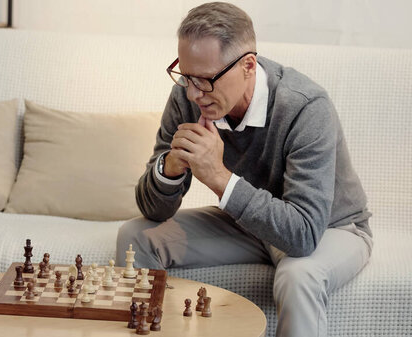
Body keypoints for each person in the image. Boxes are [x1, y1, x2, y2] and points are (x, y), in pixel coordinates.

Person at [116, 2, 373, 336]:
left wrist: (219, 177)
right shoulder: (188, 97)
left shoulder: (305, 107)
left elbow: (303, 236)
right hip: (249, 224)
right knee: (136, 236)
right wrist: (171, 167)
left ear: (248, 66)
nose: (194, 93)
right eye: (186, 75)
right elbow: (153, 210)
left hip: (328, 227)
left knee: (299, 276)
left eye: (206, 80)